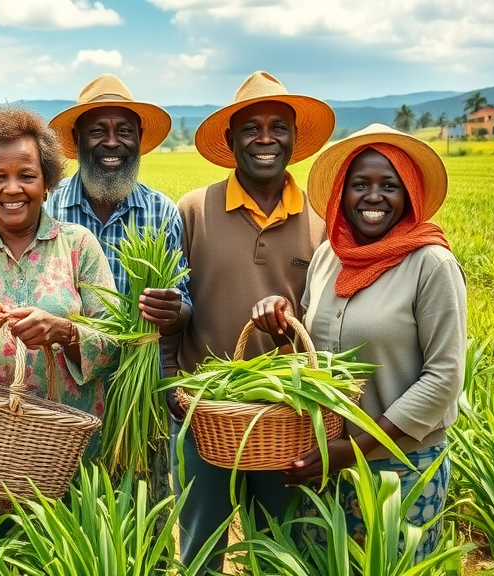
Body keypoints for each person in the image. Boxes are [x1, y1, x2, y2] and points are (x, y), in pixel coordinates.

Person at [251, 123, 466, 562]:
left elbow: (444, 379)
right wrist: (283, 333)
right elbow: (316, 356)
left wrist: (353, 449)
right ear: (341, 194)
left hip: (402, 467)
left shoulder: (431, 264)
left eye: (389, 185)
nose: (373, 196)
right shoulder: (330, 254)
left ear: (408, 195)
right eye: (359, 184)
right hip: (327, 461)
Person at [0, 106, 120, 576]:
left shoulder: (78, 247)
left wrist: (66, 332)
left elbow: (115, 344)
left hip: (67, 460)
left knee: (63, 563)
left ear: (46, 181)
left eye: (26, 175)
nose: (12, 189)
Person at [171, 70, 335, 571]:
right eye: (251, 128)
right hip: (207, 417)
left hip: (285, 419)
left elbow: (328, 320)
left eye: (278, 127)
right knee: (200, 547)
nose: (265, 139)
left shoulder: (321, 220)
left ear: (293, 139)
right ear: (231, 139)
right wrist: (171, 396)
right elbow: (172, 312)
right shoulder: (193, 211)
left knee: (281, 549)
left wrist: (290, 324)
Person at [46, 73, 191, 508]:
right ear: (77, 139)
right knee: (69, 514)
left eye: (124, 131)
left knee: (146, 512)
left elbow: (185, 301)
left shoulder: (161, 211)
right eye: (98, 131)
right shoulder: (48, 208)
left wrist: (174, 311)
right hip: (65, 392)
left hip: (141, 394)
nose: (113, 142)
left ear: (139, 140)